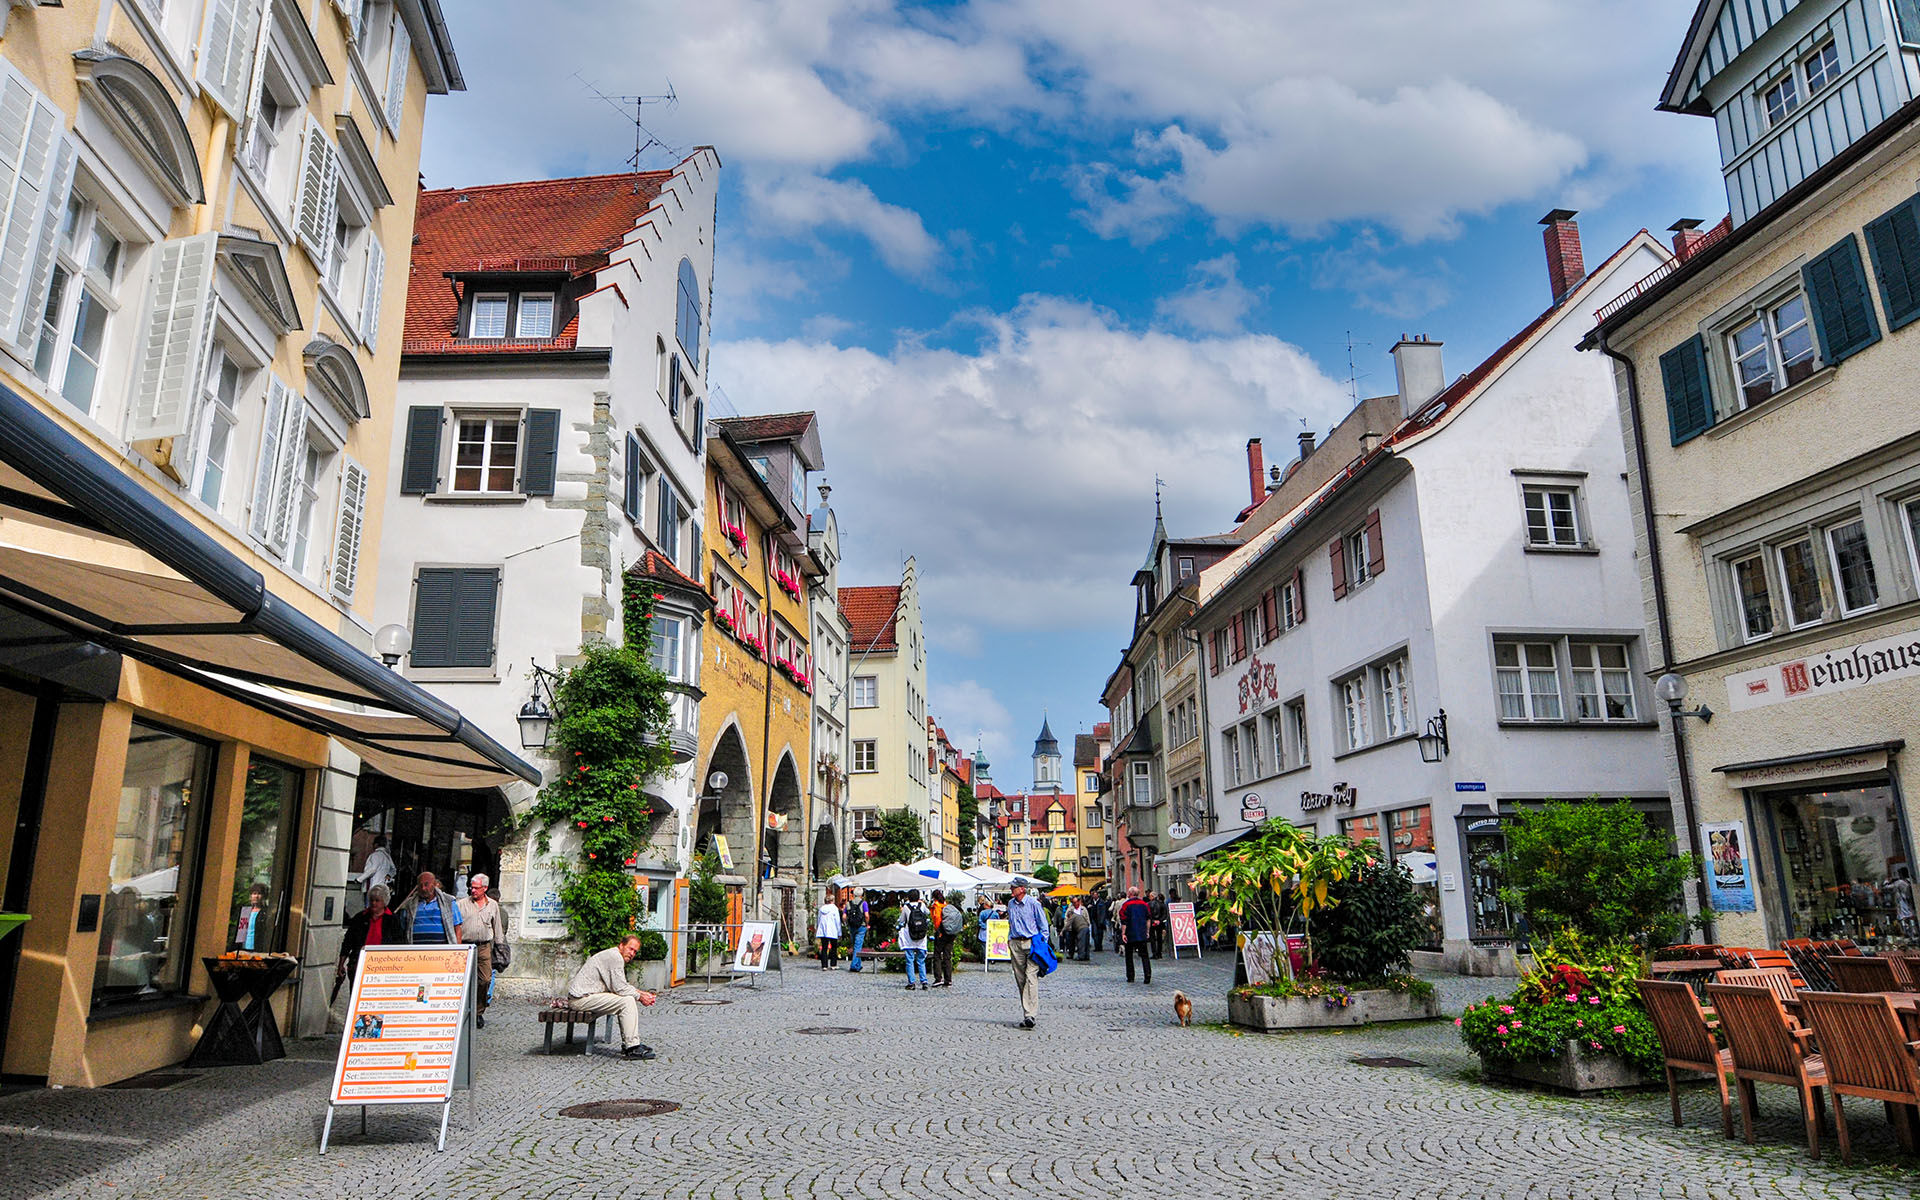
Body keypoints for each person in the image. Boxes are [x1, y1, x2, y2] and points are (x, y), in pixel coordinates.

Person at [567, 934, 659, 1060]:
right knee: (627, 1001)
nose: (632, 953)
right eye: (630, 949)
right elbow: (620, 988)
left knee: (628, 999)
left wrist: (642, 994)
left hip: (586, 997)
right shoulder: (615, 957)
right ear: (621, 945)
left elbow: (621, 986)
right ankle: (632, 1047)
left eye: (635, 952)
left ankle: (631, 1044)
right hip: (580, 999)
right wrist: (640, 996)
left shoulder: (614, 955)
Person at [336, 885, 408, 992]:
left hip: (384, 966)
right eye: (371, 900)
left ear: (384, 902)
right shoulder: (360, 918)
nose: (374, 903)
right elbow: (348, 942)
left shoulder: (393, 920)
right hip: (359, 964)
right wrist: (341, 964)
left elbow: (400, 944)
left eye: (377, 900)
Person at [457, 873, 506, 1027]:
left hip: (484, 946)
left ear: (484, 888)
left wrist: (500, 946)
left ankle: (479, 1011)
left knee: (485, 979)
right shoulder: (461, 904)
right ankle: (462, 1010)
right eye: (472, 887)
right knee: (463, 980)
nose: (473, 890)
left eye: (477, 888)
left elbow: (497, 926)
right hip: (465, 945)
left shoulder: (492, 905)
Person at [1006, 877, 1049, 1028]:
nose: (1011, 889)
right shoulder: (1011, 904)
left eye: (1014, 887)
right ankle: (1027, 1013)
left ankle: (1030, 1015)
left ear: (1022, 889)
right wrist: (1010, 940)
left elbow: (1044, 926)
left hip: (1031, 943)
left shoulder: (1033, 904)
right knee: (1020, 979)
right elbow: (1011, 923)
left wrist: (1041, 944)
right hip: (1016, 943)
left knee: (1031, 977)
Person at [396, 872, 462, 945]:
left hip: (441, 952)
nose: (423, 888)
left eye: (426, 884)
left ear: (434, 884)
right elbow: (404, 928)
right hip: (415, 951)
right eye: (420, 885)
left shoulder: (448, 901)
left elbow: (457, 928)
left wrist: (457, 950)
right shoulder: (408, 904)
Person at [1118, 885, 1153, 984]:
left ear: (1130, 894)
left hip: (1130, 933)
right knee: (1144, 956)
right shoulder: (1144, 904)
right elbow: (1148, 919)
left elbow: (1124, 920)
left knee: (1129, 956)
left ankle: (1130, 976)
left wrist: (1123, 933)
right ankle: (1147, 975)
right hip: (1141, 933)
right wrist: (1147, 931)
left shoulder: (1126, 905)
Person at [898, 889, 931, 990]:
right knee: (921, 960)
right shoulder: (922, 906)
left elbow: (902, 920)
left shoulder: (906, 907)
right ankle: (924, 981)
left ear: (908, 897)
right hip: (921, 936)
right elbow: (928, 913)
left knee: (910, 960)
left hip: (910, 936)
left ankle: (911, 983)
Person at [930, 888, 960, 987]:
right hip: (951, 933)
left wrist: (938, 932)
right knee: (947, 956)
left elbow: (937, 920)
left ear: (934, 898)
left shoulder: (936, 906)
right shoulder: (947, 906)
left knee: (937, 955)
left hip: (942, 933)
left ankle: (938, 978)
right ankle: (948, 980)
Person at [354, 835, 396, 906]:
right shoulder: (387, 856)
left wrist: (359, 879)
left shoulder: (375, 855)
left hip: (372, 887)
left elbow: (372, 869)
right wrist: (388, 875)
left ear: (376, 844)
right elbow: (393, 870)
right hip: (383, 887)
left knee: (370, 906)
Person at [845, 888, 870, 972]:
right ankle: (854, 965)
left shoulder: (848, 903)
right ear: (861, 894)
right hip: (861, 926)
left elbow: (844, 916)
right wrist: (867, 924)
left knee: (855, 945)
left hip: (852, 926)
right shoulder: (864, 903)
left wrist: (846, 924)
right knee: (858, 946)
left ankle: (858, 965)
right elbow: (866, 915)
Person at [817, 892, 843, 969]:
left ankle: (824, 965)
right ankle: (833, 964)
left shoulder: (821, 909)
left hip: (823, 930)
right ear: (832, 900)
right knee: (834, 947)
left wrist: (819, 928)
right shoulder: (834, 909)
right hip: (832, 930)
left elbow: (819, 920)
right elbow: (837, 921)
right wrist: (839, 932)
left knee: (824, 947)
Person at [1064, 896, 1091, 961]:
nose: (1075, 904)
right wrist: (1067, 927)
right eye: (1073, 902)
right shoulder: (1070, 909)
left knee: (1084, 942)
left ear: (1079, 902)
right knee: (1071, 942)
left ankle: (1085, 955)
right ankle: (1071, 954)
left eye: (1076, 902)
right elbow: (1066, 919)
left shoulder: (1083, 909)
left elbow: (1087, 918)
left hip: (1082, 927)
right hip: (1072, 928)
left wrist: (1087, 924)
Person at [1149, 890, 1169, 958]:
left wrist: (1153, 920)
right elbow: (1165, 914)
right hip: (1160, 923)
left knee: (1152, 938)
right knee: (1159, 938)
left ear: (1152, 896)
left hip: (1152, 923)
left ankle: (1154, 953)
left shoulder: (1148, 904)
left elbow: (1148, 914)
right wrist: (1159, 920)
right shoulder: (1162, 904)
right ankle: (1159, 952)